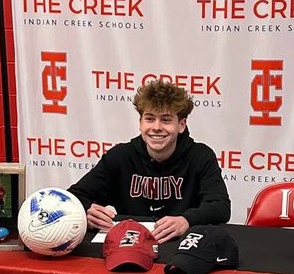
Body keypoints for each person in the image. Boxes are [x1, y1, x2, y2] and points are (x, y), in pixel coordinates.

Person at [67, 79, 231, 244]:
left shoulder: (201, 156)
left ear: (181, 125)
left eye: (166, 120)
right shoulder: (120, 156)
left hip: (182, 245)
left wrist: (186, 220)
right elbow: (73, 196)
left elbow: (220, 206)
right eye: (150, 119)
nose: (157, 127)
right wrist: (85, 210)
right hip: (129, 246)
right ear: (140, 123)